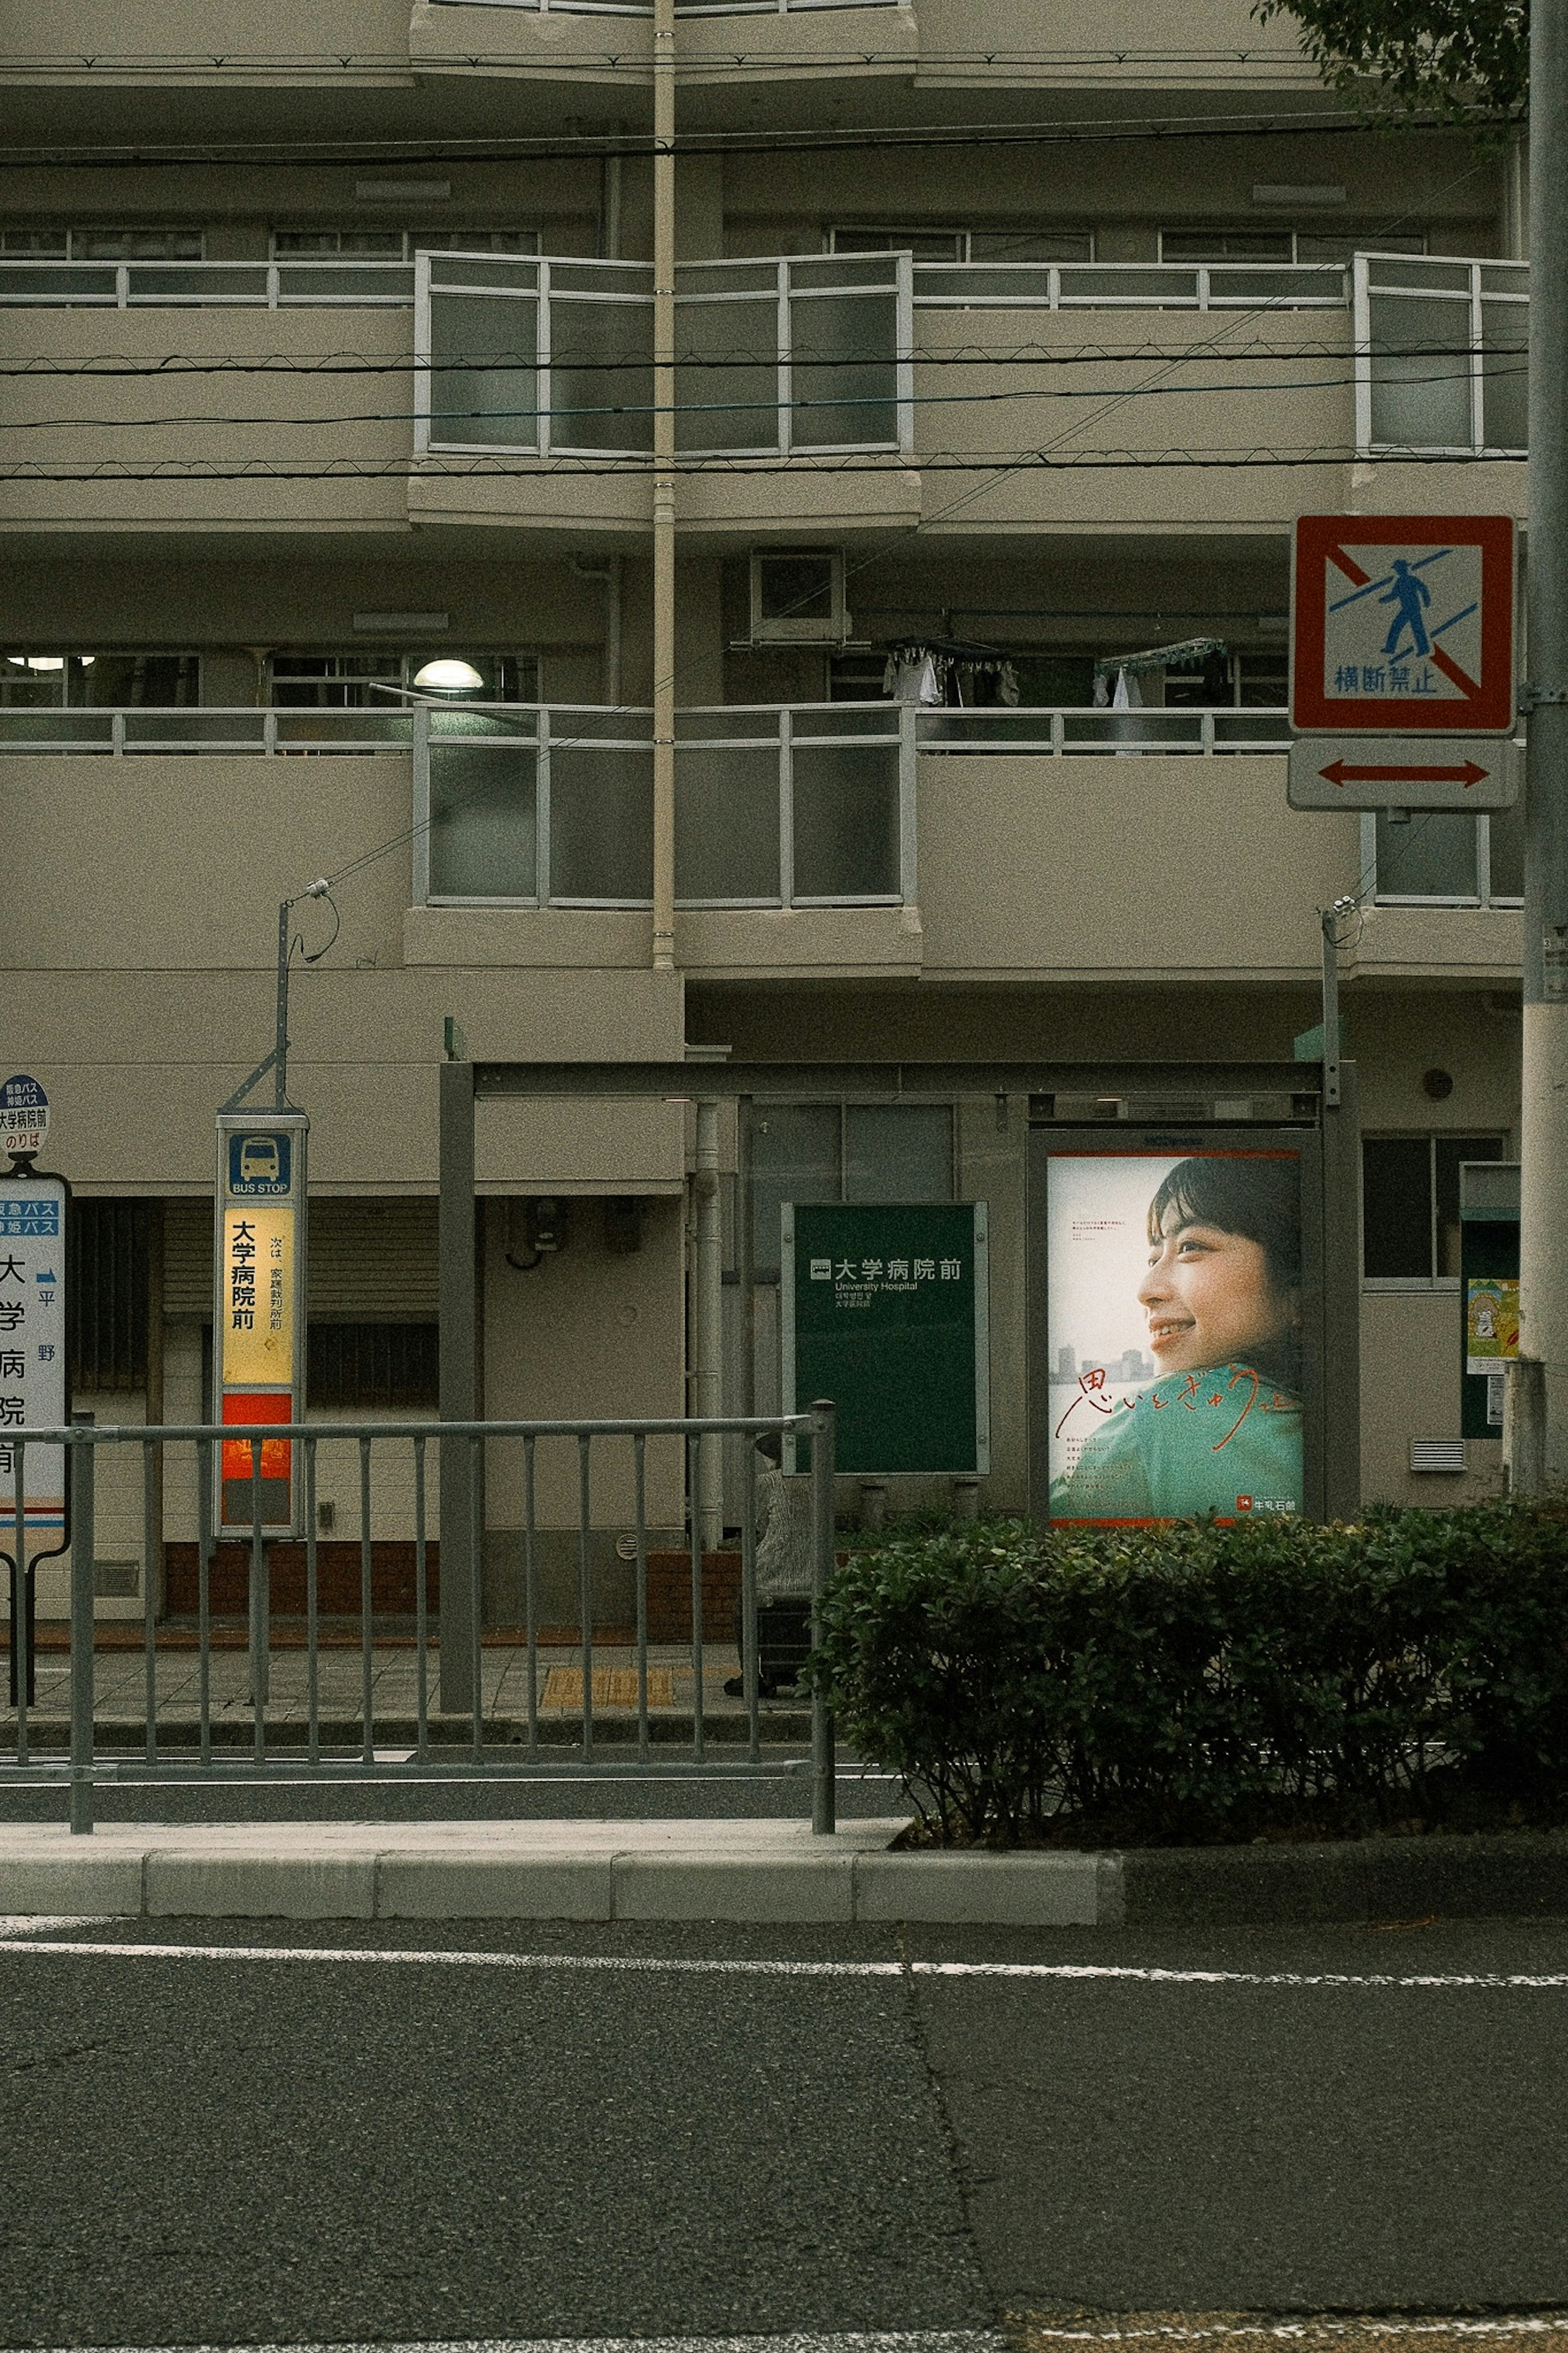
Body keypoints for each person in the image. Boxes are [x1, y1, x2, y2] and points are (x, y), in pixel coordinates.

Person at [1051, 1155, 1304, 1523]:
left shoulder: (1163, 1416)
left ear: (1297, 1290)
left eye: (1190, 1247)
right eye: (1154, 1259)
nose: (1146, 1290)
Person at [723, 1431, 815, 1698]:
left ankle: (750, 1674)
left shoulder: (767, 1482)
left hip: (773, 1572)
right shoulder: (819, 1481)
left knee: (744, 1608)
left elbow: (757, 1525)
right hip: (817, 1571)